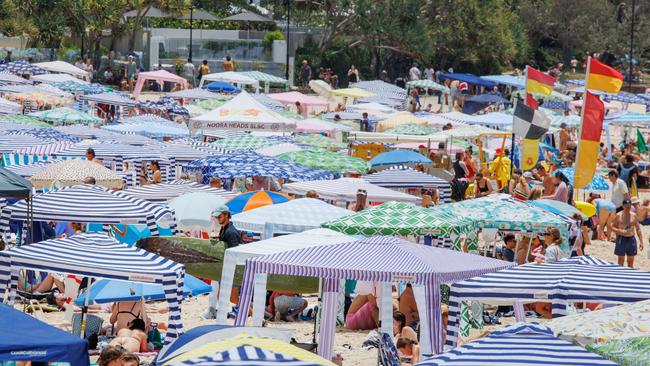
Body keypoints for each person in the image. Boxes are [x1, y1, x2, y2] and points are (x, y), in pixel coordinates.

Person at [612, 199, 644, 267]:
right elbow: (612, 227)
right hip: (621, 238)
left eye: (629, 206)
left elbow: (638, 229)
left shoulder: (634, 215)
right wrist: (619, 231)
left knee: (630, 261)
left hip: (631, 239)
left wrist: (641, 242)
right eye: (626, 206)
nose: (628, 208)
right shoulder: (618, 215)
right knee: (621, 260)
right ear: (623, 206)